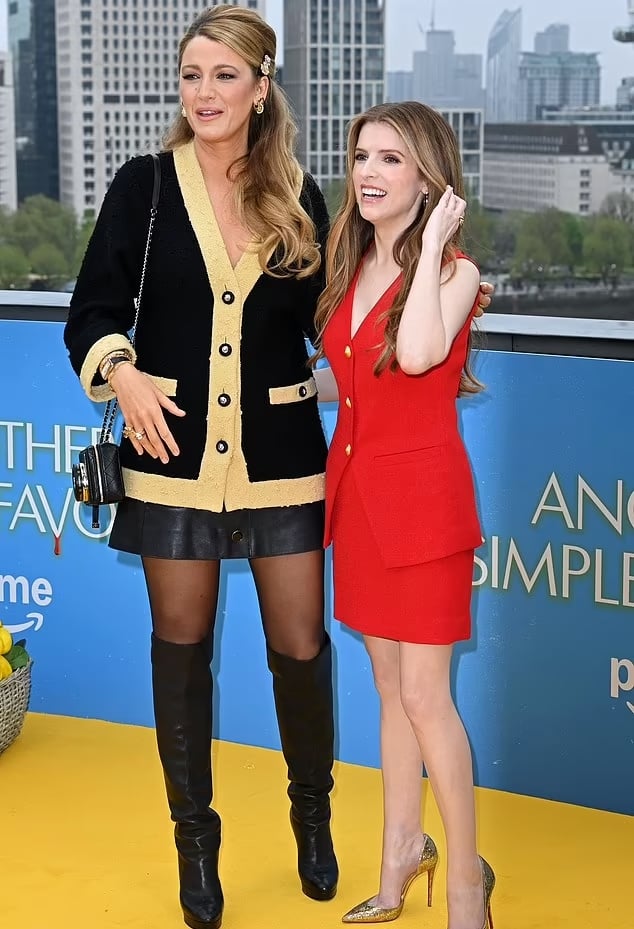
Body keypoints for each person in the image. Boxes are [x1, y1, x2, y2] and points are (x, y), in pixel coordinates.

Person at [63, 7, 338, 929]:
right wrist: (122, 372)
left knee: (300, 646)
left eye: (225, 75)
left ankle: (311, 813)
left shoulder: (301, 193)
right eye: (192, 75)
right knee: (179, 653)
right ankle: (194, 840)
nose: (205, 92)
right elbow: (91, 310)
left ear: (261, 88)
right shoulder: (142, 186)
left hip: (284, 462)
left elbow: (333, 320)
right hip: (170, 457)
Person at [312, 101, 495, 929]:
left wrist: (428, 246)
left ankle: (465, 887)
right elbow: (355, 375)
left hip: (422, 512)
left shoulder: (453, 272)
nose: (370, 172)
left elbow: (418, 353)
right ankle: (399, 857)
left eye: (391, 158)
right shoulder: (349, 265)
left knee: (427, 698)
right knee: (389, 690)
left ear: (429, 178)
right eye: (362, 156)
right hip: (357, 503)